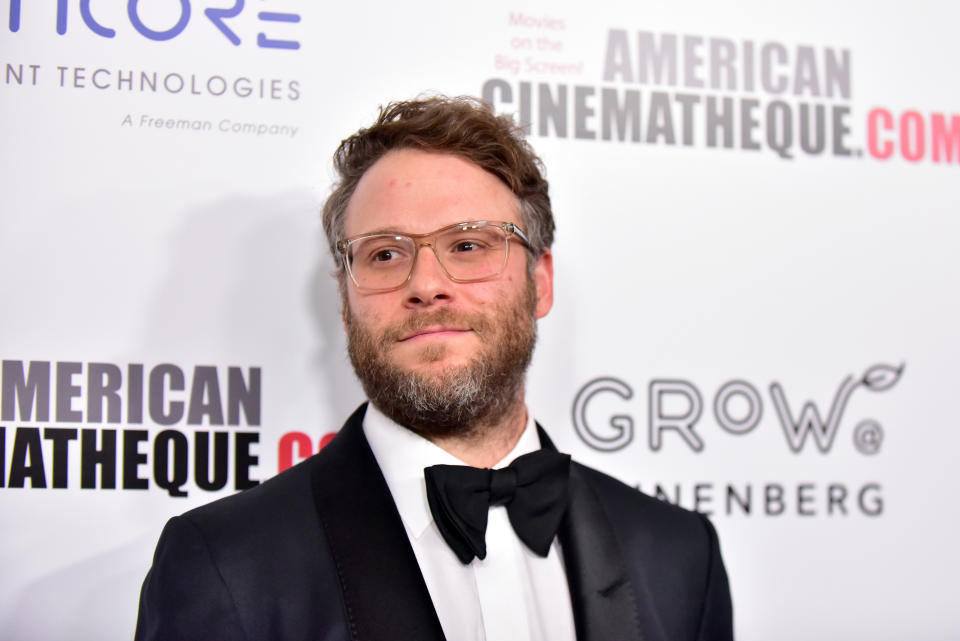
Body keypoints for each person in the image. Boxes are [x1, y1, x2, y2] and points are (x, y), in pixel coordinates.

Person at [134, 95, 733, 641]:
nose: (425, 285)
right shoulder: (224, 565)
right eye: (386, 254)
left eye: (468, 245)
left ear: (540, 282)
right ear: (345, 301)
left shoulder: (679, 556)